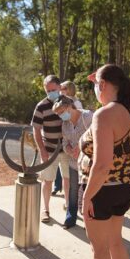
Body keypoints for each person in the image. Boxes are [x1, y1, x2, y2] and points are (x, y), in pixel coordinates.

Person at [79, 64, 130, 259]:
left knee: (99, 250)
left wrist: (86, 198)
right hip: (125, 186)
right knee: (116, 241)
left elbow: (102, 165)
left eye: (96, 84)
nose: (95, 88)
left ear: (103, 85)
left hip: (101, 190)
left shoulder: (104, 114)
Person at [31, 75, 69, 223]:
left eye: (54, 89)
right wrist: (42, 150)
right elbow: (36, 129)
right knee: (47, 181)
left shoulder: (68, 103)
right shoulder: (41, 106)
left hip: (67, 149)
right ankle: (45, 210)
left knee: (68, 179)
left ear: (60, 87)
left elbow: (75, 122)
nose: (51, 93)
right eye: (48, 90)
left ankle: (68, 205)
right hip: (49, 148)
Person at [52, 95, 93, 229]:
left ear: (69, 107)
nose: (60, 116)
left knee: (90, 193)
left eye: (61, 112)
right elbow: (64, 142)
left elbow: (98, 137)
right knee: (73, 191)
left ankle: (92, 221)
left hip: (89, 165)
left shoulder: (87, 117)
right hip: (73, 164)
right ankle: (70, 218)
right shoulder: (65, 124)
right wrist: (69, 149)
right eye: (58, 114)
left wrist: (82, 149)